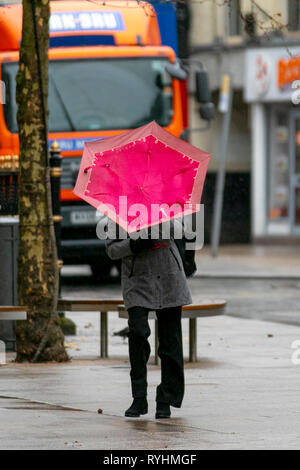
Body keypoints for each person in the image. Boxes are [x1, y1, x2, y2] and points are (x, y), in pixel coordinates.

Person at [105, 219, 192, 419]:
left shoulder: (167, 205)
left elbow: (182, 231)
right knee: (137, 333)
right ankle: (139, 398)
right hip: (137, 281)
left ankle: (166, 399)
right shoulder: (119, 211)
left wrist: (160, 220)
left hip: (169, 277)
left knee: (171, 341)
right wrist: (134, 244)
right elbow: (111, 250)